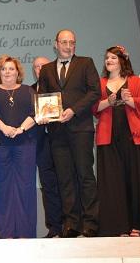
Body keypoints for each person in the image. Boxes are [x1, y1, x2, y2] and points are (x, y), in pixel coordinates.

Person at [92, 45, 140, 236]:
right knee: (113, 183)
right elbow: (94, 108)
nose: (108, 61)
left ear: (122, 61)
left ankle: (139, 224)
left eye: (113, 58)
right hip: (108, 138)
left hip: (133, 136)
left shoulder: (134, 80)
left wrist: (129, 100)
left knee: (138, 181)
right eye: (107, 58)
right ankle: (119, 226)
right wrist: (107, 102)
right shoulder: (100, 83)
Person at [37, 29, 101, 237]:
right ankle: (71, 224)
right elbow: (43, 96)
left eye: (71, 42)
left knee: (85, 175)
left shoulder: (86, 63)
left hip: (80, 127)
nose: (67, 46)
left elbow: (94, 92)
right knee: (64, 178)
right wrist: (44, 115)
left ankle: (90, 223)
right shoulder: (46, 69)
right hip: (57, 131)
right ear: (55, 44)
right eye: (63, 42)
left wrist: (74, 110)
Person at [0, 55, 38, 238]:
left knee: (26, 188)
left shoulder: (28, 90)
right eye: (3, 69)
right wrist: (4, 128)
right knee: (2, 189)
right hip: (0, 145)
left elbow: (36, 113)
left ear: (18, 71)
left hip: (25, 144)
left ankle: (25, 234)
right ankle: (7, 234)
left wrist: (19, 129)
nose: (7, 72)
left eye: (11, 68)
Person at [31, 56, 63, 238]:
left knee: (66, 183)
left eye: (43, 66)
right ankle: (54, 227)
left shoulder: (61, 88)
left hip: (62, 142)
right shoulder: (29, 91)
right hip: (41, 144)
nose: (40, 70)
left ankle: (71, 224)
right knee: (48, 186)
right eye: (36, 67)